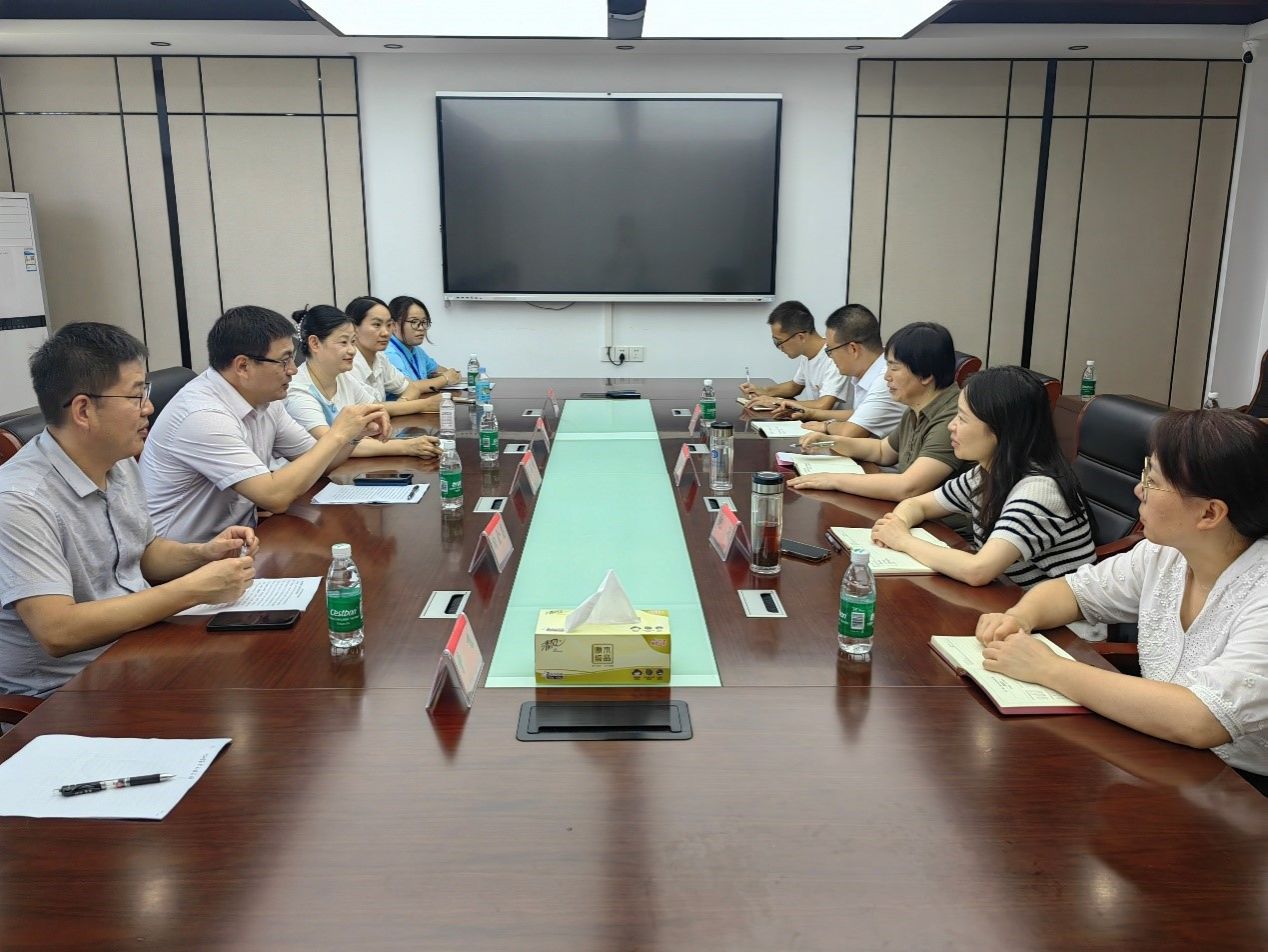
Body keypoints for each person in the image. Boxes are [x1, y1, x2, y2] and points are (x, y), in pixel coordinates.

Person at [976, 410, 1268, 784]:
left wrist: (1049, 668)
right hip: (1159, 754)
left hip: (1240, 789)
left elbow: (1201, 720)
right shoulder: (1164, 554)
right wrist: (1019, 617)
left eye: (1153, 481)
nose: (1138, 490)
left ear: (1210, 513)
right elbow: (1072, 592)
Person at [0, 323, 256, 698]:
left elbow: (141, 553)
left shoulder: (119, 463)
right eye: (136, 396)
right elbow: (57, 631)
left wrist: (202, 554)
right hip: (65, 694)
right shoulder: (19, 499)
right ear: (83, 410)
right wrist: (192, 590)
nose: (148, 407)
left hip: (138, 650)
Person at [140, 306, 389, 543]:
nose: (293, 370)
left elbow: (320, 461)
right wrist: (337, 435)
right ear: (243, 366)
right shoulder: (203, 415)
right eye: (284, 361)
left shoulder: (266, 399)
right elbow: (275, 497)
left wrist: (354, 434)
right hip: (189, 556)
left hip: (243, 537)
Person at [871, 366, 1095, 588]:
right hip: (1002, 596)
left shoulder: (1039, 491)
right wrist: (898, 524)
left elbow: (978, 570)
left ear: (1000, 429)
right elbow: (916, 504)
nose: (951, 426)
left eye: (962, 418)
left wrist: (902, 540)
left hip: (1046, 610)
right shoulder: (986, 472)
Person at [788, 321, 968, 502]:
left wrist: (833, 480)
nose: (887, 376)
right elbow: (882, 451)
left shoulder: (953, 418)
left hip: (938, 519)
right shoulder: (916, 408)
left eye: (894, 368)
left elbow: (909, 488)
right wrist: (830, 441)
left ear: (926, 375)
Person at [286, 305, 440, 459]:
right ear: (315, 343)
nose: (352, 350)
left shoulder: (343, 377)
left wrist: (376, 422)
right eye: (343, 342)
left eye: (353, 342)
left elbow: (376, 410)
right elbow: (329, 445)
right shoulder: (298, 390)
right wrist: (407, 446)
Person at [775, 303, 904, 439]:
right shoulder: (869, 371)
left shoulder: (885, 380)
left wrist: (826, 426)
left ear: (853, 349)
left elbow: (851, 432)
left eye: (830, 350)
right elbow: (858, 414)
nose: (830, 356)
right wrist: (809, 413)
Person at [738, 300, 850, 415]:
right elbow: (794, 387)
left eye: (779, 342)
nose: (779, 347)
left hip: (832, 423)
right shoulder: (808, 354)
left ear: (800, 337)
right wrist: (765, 391)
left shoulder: (834, 356)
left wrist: (776, 402)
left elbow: (823, 405)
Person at [345, 296, 444, 411]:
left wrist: (401, 405)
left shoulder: (380, 357)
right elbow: (369, 409)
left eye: (388, 325)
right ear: (354, 328)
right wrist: (425, 404)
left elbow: (411, 388)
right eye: (377, 325)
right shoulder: (348, 363)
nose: (386, 333)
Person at [385, 295, 462, 387]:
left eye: (424, 322)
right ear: (393, 325)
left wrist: (452, 375)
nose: (421, 328)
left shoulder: (416, 350)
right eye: (414, 322)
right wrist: (445, 379)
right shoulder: (388, 353)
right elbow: (408, 388)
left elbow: (443, 371)